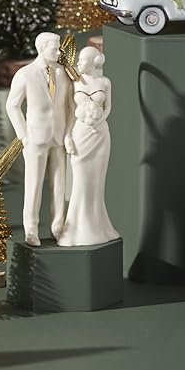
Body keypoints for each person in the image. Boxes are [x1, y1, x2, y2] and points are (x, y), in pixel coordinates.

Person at [6, 32, 73, 246]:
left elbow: (69, 106)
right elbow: (12, 105)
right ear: (42, 49)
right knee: (33, 185)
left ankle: (58, 226)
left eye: (59, 48)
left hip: (58, 136)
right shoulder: (25, 74)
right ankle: (31, 229)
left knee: (59, 185)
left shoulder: (63, 74)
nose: (59, 52)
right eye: (54, 48)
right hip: (35, 138)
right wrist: (23, 136)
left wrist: (68, 132)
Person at [58, 46, 120, 247]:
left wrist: (99, 119)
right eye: (78, 60)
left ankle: (99, 228)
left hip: (100, 135)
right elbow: (69, 112)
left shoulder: (105, 82)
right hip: (80, 134)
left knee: (97, 182)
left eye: (83, 60)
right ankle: (75, 230)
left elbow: (108, 107)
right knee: (81, 181)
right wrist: (67, 136)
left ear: (94, 61)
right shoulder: (74, 82)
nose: (79, 63)